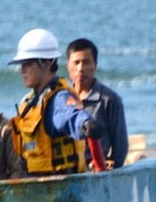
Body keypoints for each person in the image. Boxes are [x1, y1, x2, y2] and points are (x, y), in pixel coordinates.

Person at [7, 28, 103, 176]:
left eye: (27, 64)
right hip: (36, 186)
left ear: (46, 63)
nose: (22, 71)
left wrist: (85, 124)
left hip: (60, 188)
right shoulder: (29, 102)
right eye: (21, 65)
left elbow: (71, 114)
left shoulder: (58, 99)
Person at [66, 38, 129, 169]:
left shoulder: (109, 100)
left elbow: (120, 148)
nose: (81, 68)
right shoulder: (62, 99)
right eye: (76, 62)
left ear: (95, 64)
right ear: (68, 65)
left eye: (86, 62)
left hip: (95, 172)